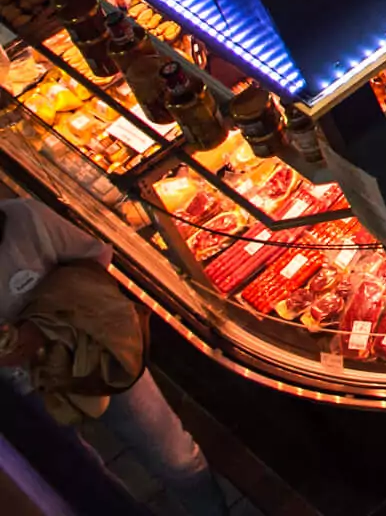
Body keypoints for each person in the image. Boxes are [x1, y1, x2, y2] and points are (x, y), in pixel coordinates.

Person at [0, 200, 222, 516]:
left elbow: (93, 256)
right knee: (83, 480)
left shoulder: (25, 218)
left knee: (176, 459)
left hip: (97, 350)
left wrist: (43, 323)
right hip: (24, 393)